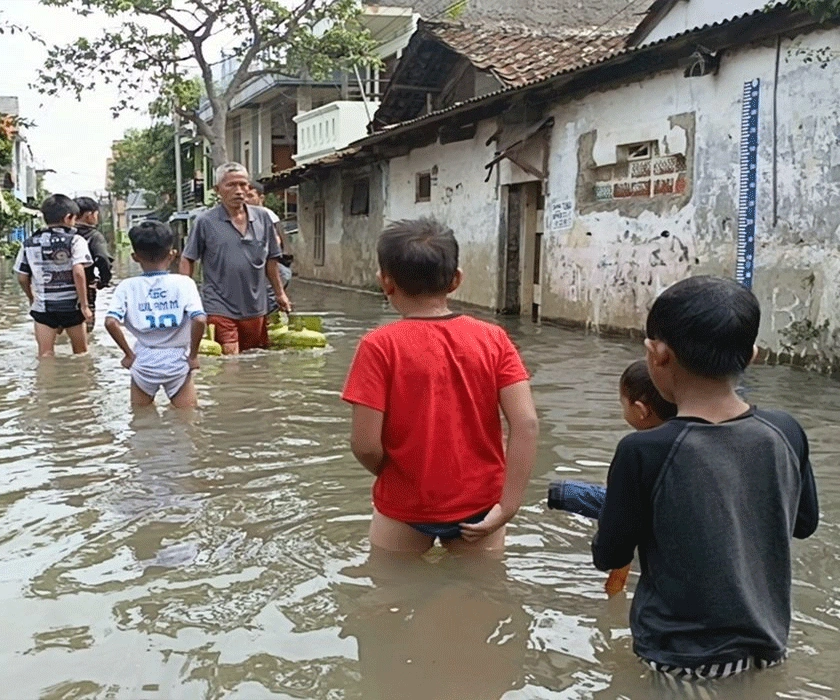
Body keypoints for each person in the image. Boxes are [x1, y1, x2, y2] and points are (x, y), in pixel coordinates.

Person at [593, 276, 819, 680]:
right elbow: (804, 523)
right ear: (752, 355)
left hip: (681, 659)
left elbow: (610, 555)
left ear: (657, 354)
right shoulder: (786, 431)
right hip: (769, 646)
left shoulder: (642, 451)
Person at [342, 218, 539, 554]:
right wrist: (508, 506)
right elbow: (527, 424)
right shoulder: (494, 339)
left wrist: (399, 475)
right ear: (456, 279)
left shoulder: (378, 346)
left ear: (385, 282)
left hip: (404, 506)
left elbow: (365, 445)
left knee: (388, 594)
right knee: (480, 596)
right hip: (480, 505)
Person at [547, 359, 678, 595]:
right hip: (658, 515)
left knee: (611, 505)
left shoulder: (636, 449)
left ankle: (561, 494)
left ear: (640, 410)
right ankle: (561, 494)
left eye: (622, 403)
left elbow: (618, 537)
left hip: (643, 519)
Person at [179, 163, 291, 354]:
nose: (239, 191)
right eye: (231, 185)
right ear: (217, 190)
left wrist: (280, 294)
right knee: (230, 358)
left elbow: (272, 260)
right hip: (218, 305)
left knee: (254, 358)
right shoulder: (205, 222)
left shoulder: (263, 218)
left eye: (243, 185)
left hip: (256, 305)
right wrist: (185, 297)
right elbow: (188, 259)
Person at [104, 221, 207, 409]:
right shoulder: (184, 283)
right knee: (188, 421)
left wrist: (128, 354)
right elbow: (199, 319)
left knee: (141, 420)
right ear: (172, 254)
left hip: (144, 361)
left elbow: (111, 322)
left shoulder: (127, 287)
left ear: (135, 257)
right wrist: (193, 355)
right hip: (177, 361)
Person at [14, 194, 93, 357]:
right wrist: (85, 305)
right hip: (71, 306)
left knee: (45, 354)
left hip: (43, 308)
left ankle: (47, 382)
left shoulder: (29, 243)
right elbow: (78, 271)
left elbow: (22, 277)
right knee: (81, 353)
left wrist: (31, 297)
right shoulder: (76, 240)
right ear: (68, 217)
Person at [244, 183, 294, 315]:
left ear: (261, 198)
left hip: (276, 266)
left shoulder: (264, 215)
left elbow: (275, 241)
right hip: (270, 267)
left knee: (269, 301)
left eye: (250, 196)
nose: (246, 200)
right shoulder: (252, 215)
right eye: (245, 196)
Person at [73, 196, 115, 331]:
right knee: (85, 330)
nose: (97, 218)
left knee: (60, 328)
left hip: (59, 289)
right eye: (97, 214)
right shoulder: (94, 236)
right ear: (88, 215)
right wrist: (103, 281)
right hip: (86, 288)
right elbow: (103, 259)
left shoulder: (64, 234)